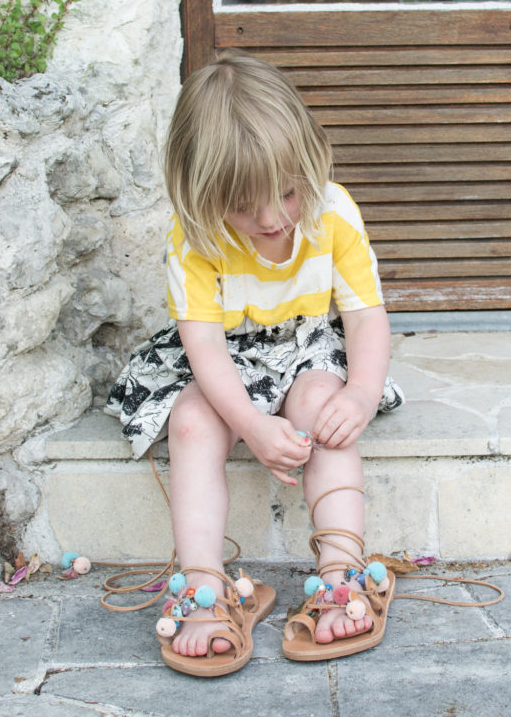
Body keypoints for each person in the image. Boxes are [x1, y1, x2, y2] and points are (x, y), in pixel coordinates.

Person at [106, 48, 403, 674]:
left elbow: (365, 316)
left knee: (325, 411)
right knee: (191, 422)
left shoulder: (333, 212)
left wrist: (361, 393)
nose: (272, 220)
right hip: (224, 360)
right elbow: (206, 350)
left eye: (288, 193)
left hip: (305, 344)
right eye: (245, 206)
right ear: (201, 195)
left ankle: (341, 573)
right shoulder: (193, 240)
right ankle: (204, 589)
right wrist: (248, 424)